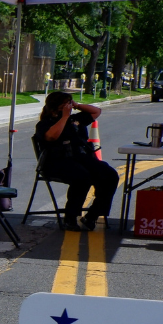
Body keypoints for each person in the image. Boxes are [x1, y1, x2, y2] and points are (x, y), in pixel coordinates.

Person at [34, 91, 118, 231]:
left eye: (69, 103)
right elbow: (51, 137)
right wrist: (64, 117)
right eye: (65, 103)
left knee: (109, 175)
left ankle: (92, 215)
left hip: (81, 158)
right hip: (57, 161)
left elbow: (96, 111)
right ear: (56, 107)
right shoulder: (45, 124)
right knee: (82, 177)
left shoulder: (76, 119)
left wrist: (77, 105)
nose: (68, 106)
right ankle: (70, 218)